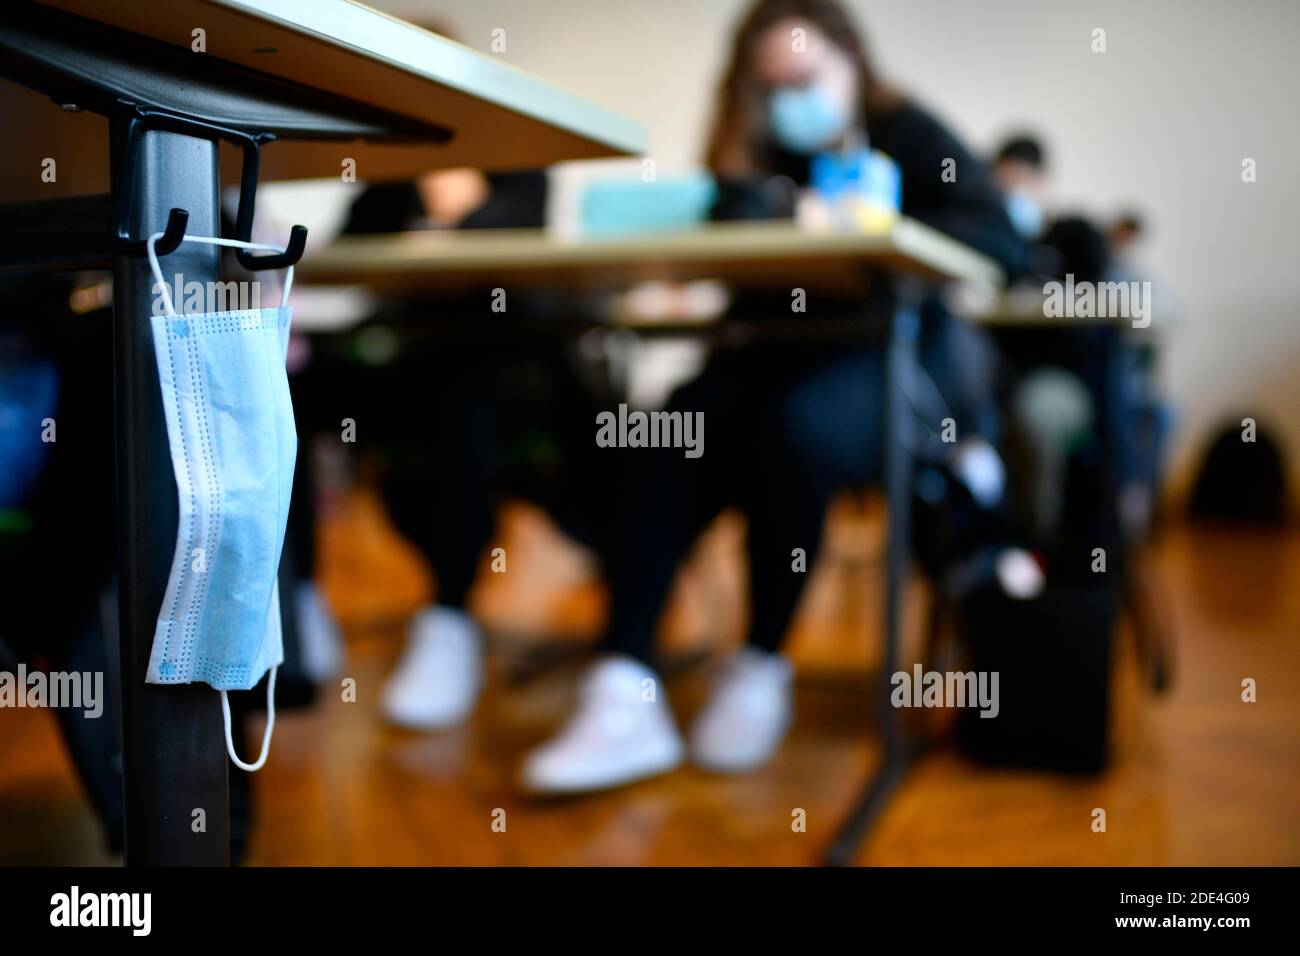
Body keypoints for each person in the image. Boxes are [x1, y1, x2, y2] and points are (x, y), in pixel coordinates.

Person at [515, 0, 1032, 793]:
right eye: (772, 86)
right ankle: (624, 689)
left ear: (852, 61)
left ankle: (761, 664)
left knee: (794, 432)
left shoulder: (909, 133)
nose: (792, 99)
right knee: (662, 436)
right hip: (760, 352)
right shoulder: (749, 149)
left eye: (807, 79)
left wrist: (863, 219)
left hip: (879, 365)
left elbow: (1000, 240)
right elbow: (725, 245)